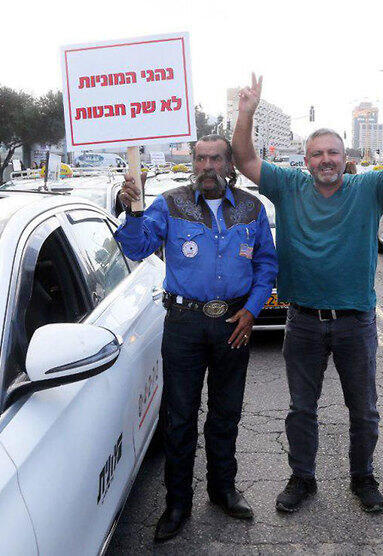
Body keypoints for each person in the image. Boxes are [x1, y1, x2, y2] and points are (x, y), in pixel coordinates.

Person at [231, 72, 383, 514]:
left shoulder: (369, 189)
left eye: (333, 153)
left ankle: (362, 477)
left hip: (355, 321)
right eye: (317, 153)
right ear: (305, 160)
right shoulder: (287, 186)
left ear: (346, 158)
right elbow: (244, 158)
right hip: (302, 321)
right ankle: (302, 478)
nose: (326, 159)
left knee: (363, 411)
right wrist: (245, 113)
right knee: (300, 409)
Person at [114, 135, 278, 542]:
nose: (208, 166)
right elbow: (137, 246)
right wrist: (132, 209)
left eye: (216, 159)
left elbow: (266, 263)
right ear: (193, 163)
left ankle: (223, 490)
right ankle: (177, 503)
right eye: (201, 159)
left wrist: (253, 310)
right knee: (180, 416)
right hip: (184, 324)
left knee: (226, 412)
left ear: (229, 164)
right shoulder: (170, 203)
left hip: (233, 325)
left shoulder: (252, 208)